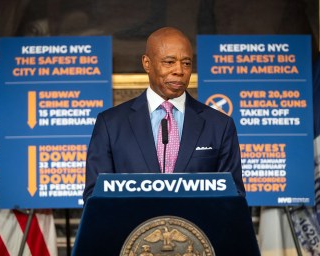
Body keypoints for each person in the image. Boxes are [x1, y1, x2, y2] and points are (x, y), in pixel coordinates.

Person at [83, 27, 245, 201]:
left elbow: (233, 196)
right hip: (133, 227)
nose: (180, 71)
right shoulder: (110, 124)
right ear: (147, 63)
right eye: (169, 62)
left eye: (186, 63)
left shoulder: (219, 125)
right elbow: (95, 197)